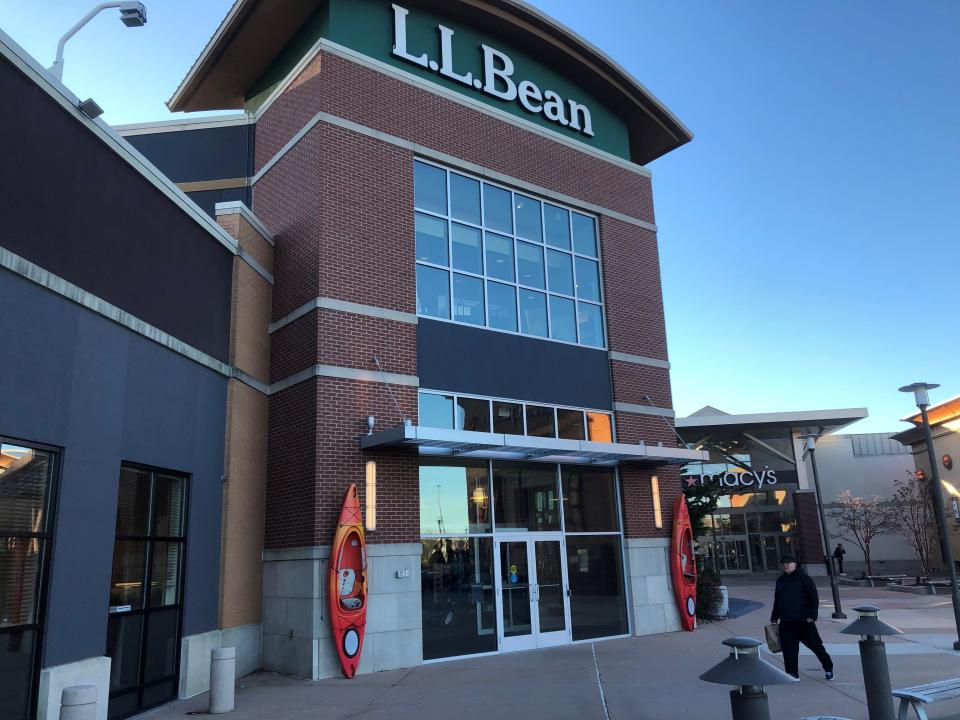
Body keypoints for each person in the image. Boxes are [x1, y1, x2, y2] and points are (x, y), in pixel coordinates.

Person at [770, 554, 834, 680]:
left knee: (816, 646)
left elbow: (813, 598)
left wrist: (812, 616)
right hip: (787, 621)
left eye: (788, 562)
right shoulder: (781, 580)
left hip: (804, 620)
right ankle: (792, 673)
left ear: (795, 564)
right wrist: (774, 616)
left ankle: (828, 667)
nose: (786, 565)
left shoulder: (805, 579)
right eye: (784, 563)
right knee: (789, 650)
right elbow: (777, 600)